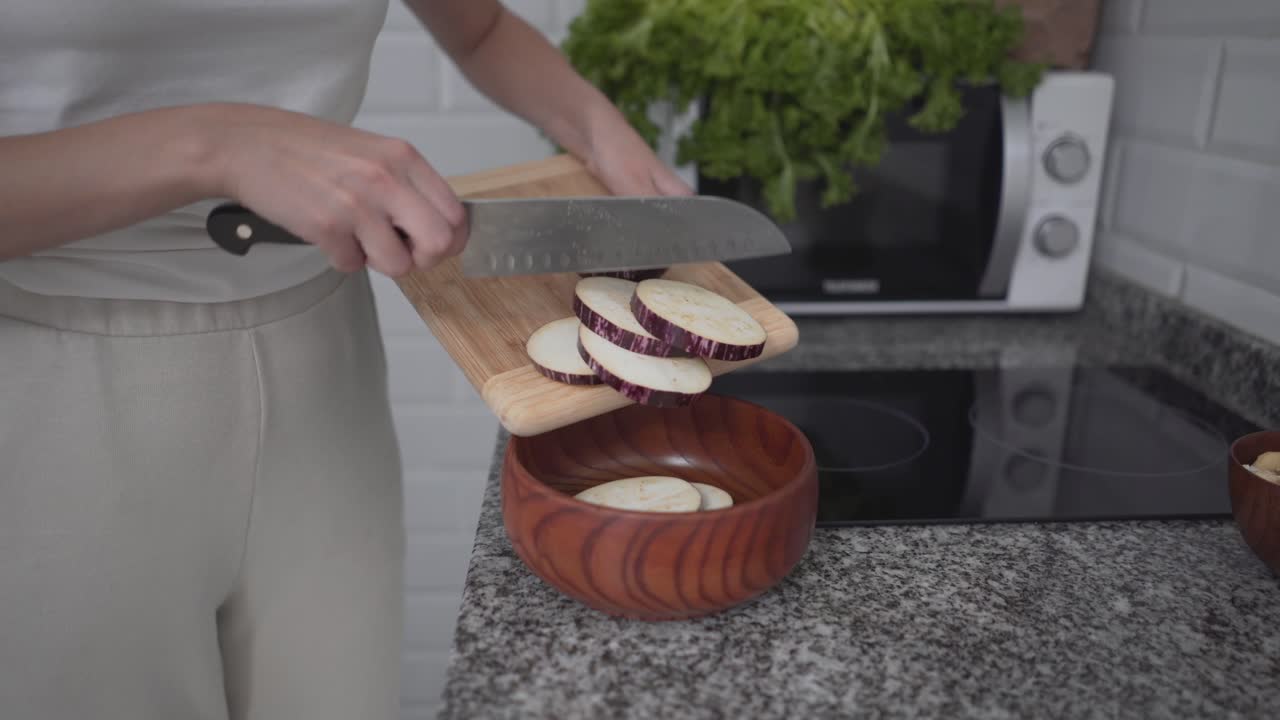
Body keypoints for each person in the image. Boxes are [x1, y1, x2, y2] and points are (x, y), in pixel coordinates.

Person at [0, 1, 690, 718]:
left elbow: (478, 26)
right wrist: (214, 143)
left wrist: (599, 131)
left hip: (326, 363)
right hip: (54, 395)